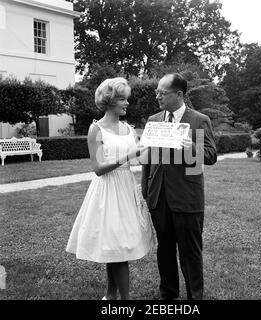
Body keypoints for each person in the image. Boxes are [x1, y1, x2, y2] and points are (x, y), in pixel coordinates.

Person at [66, 77, 156, 300]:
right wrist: (127, 156)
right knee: (117, 247)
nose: (127, 103)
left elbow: (140, 159)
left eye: (127, 99)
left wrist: (155, 147)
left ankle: (110, 295)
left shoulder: (128, 129)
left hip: (126, 188)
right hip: (107, 190)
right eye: (122, 99)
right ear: (109, 101)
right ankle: (125, 300)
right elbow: (97, 168)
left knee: (115, 246)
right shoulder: (96, 130)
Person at [141, 73, 217, 300]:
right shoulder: (153, 120)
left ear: (179, 94)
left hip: (187, 197)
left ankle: (195, 297)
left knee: (190, 252)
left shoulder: (198, 120)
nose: (157, 97)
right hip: (158, 196)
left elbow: (211, 155)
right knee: (164, 249)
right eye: (157, 92)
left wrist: (192, 147)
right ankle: (168, 292)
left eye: (162, 93)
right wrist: (146, 189)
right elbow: (148, 159)